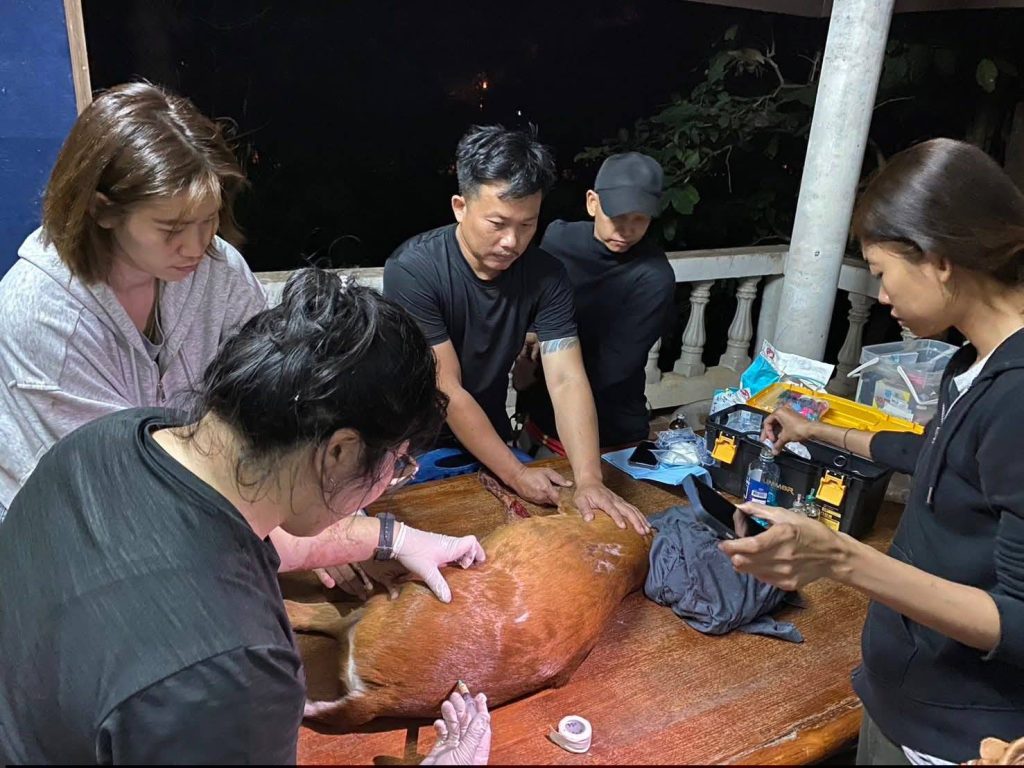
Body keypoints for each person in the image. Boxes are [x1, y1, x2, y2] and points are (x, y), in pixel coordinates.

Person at [0, 268, 492, 764]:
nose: (391, 479)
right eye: (398, 463)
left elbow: (253, 536)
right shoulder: (233, 674)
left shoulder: (110, 441)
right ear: (340, 451)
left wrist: (393, 536)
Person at [719, 139, 1024, 765]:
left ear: (938, 259)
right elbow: (934, 454)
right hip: (903, 693)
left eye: (881, 272)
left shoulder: (1018, 396)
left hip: (961, 738)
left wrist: (839, 557)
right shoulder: (973, 361)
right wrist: (819, 429)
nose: (881, 296)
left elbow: (1018, 622)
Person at [0, 82, 267, 524]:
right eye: (171, 228)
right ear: (102, 211)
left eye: (209, 219)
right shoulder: (42, 317)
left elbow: (269, 395)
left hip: (200, 510)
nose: (197, 246)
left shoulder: (218, 269)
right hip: (72, 532)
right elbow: (118, 484)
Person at [383, 125, 649, 535]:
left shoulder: (547, 276)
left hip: (490, 440)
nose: (512, 241)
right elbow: (446, 390)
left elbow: (566, 378)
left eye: (527, 225)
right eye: (497, 223)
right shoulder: (413, 270)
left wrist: (590, 479)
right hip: (410, 450)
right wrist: (517, 474)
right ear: (460, 206)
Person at [518, 151, 674, 451]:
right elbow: (535, 300)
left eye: (639, 219)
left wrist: (535, 372)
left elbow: (613, 368)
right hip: (537, 418)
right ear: (592, 203)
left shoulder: (654, 276)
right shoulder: (558, 238)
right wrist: (530, 337)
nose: (626, 230)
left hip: (609, 432)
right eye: (617, 216)